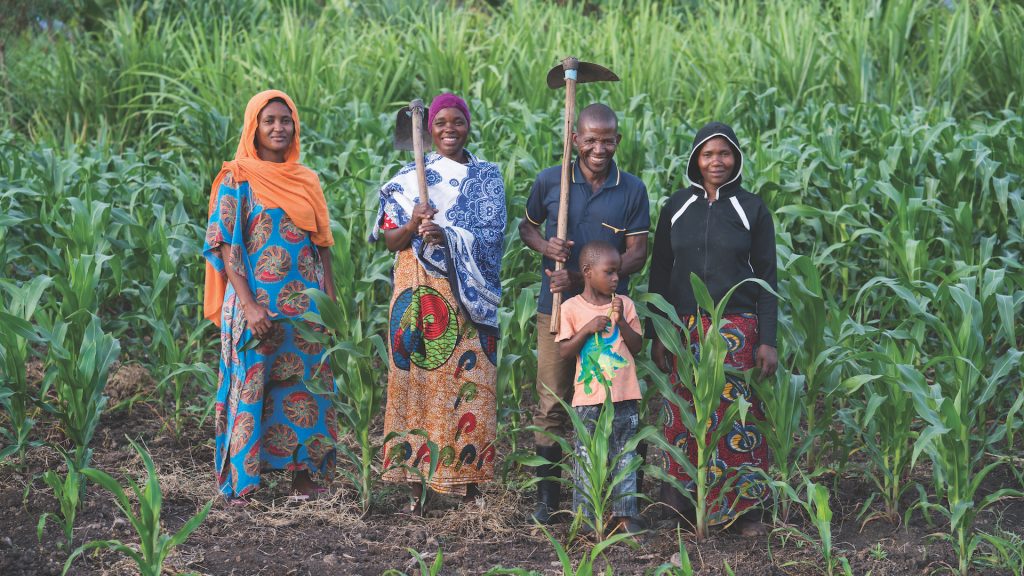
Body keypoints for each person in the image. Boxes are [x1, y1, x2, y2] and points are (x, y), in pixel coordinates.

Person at [370, 93, 506, 514]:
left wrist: (448, 236)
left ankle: (468, 488)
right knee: (419, 386)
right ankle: (418, 487)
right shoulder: (410, 177)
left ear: (468, 125)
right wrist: (414, 222)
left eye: (458, 121)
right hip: (418, 290)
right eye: (441, 122)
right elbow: (390, 241)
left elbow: (492, 236)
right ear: (429, 129)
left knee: (472, 385)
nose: (450, 129)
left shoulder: (487, 176)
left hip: (469, 299)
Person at [203, 90, 338, 502]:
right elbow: (225, 244)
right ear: (254, 128)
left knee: (306, 390)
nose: (279, 128)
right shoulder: (237, 178)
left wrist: (330, 303)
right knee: (251, 388)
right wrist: (248, 304)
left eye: (286, 120)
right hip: (257, 307)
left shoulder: (306, 179)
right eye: (269, 121)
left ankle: (304, 480)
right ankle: (245, 484)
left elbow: (322, 246)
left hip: (305, 309)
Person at [519, 103, 650, 524]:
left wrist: (580, 279)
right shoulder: (550, 181)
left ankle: (618, 501)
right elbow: (527, 227)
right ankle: (548, 499)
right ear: (575, 140)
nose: (599, 148)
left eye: (607, 140)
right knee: (553, 402)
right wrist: (545, 247)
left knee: (617, 401)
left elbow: (638, 254)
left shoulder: (631, 190)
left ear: (618, 141)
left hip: (612, 316)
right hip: (557, 312)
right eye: (590, 139)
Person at [648, 121, 778, 535]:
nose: (716, 161)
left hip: (736, 329)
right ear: (695, 161)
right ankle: (683, 504)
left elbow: (768, 278)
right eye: (708, 154)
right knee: (683, 412)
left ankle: (744, 511)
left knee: (736, 418)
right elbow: (660, 273)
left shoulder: (751, 208)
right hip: (684, 329)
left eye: (724, 153)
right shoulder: (677, 207)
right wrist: (658, 334)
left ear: (736, 159)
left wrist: (768, 341)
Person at [556, 241, 644, 535]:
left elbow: (637, 346)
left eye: (618, 272)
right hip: (589, 399)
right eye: (609, 272)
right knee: (586, 456)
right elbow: (565, 352)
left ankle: (625, 516)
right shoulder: (571, 308)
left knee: (625, 455)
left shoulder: (626, 305)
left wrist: (620, 323)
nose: (616, 278)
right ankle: (584, 517)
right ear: (587, 272)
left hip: (624, 397)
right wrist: (586, 329)